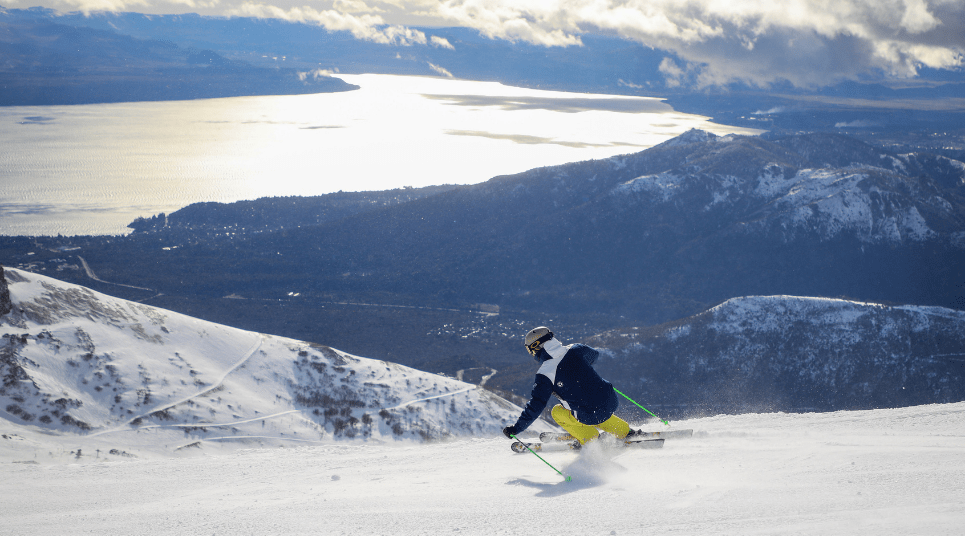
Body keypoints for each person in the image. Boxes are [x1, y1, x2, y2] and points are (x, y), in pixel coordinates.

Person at [502, 326, 639, 445]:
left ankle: (591, 440)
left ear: (536, 346)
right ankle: (625, 432)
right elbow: (594, 355)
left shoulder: (545, 373)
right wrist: (578, 369)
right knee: (592, 404)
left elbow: (536, 405)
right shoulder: (576, 348)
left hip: (588, 415)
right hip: (611, 401)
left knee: (559, 411)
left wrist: (516, 428)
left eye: (530, 350)